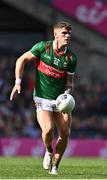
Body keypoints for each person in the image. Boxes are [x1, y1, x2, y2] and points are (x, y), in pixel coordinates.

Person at [10, 21, 77, 175]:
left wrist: (67, 95)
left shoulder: (71, 58)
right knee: (47, 131)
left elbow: (69, 82)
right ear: (56, 35)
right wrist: (17, 82)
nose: (67, 36)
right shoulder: (43, 47)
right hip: (42, 97)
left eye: (69, 34)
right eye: (64, 33)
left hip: (60, 100)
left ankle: (55, 166)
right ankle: (48, 150)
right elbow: (21, 60)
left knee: (65, 133)